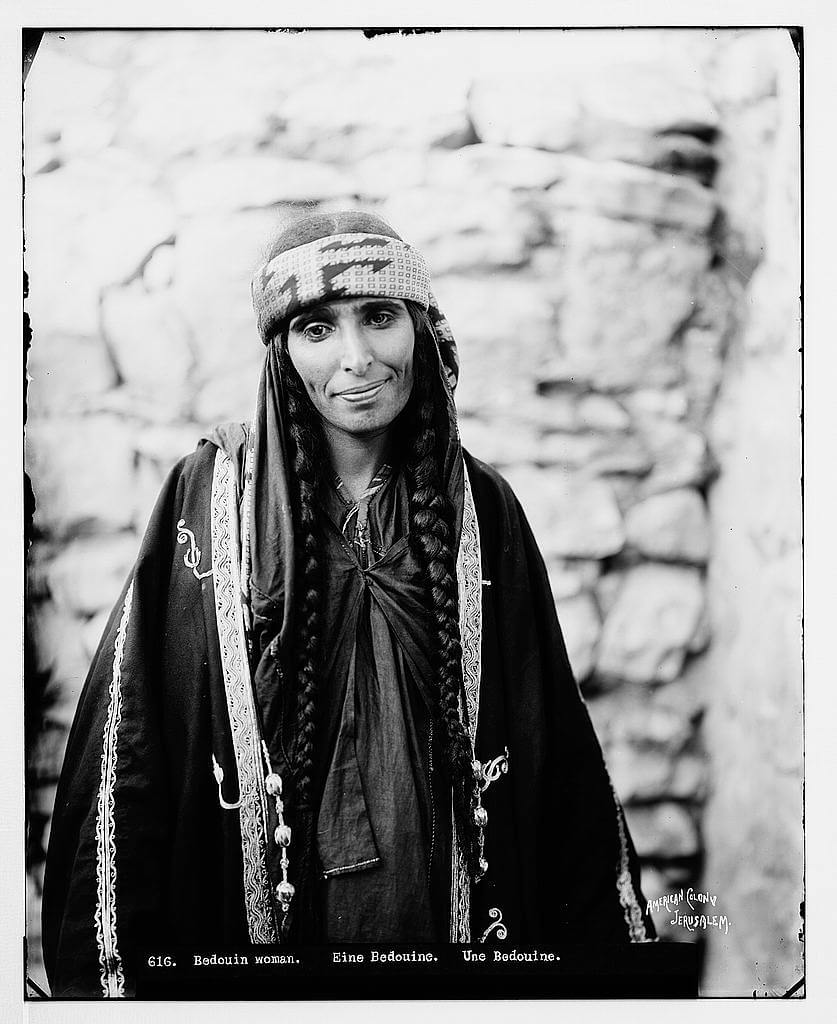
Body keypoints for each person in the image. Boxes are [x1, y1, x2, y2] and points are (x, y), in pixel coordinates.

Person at [42, 210, 655, 998]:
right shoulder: (209, 504)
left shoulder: (481, 511)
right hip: (262, 939)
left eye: (379, 317)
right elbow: (134, 746)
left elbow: (548, 746)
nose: (356, 358)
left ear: (421, 330)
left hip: (442, 927)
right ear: (281, 354)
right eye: (316, 329)